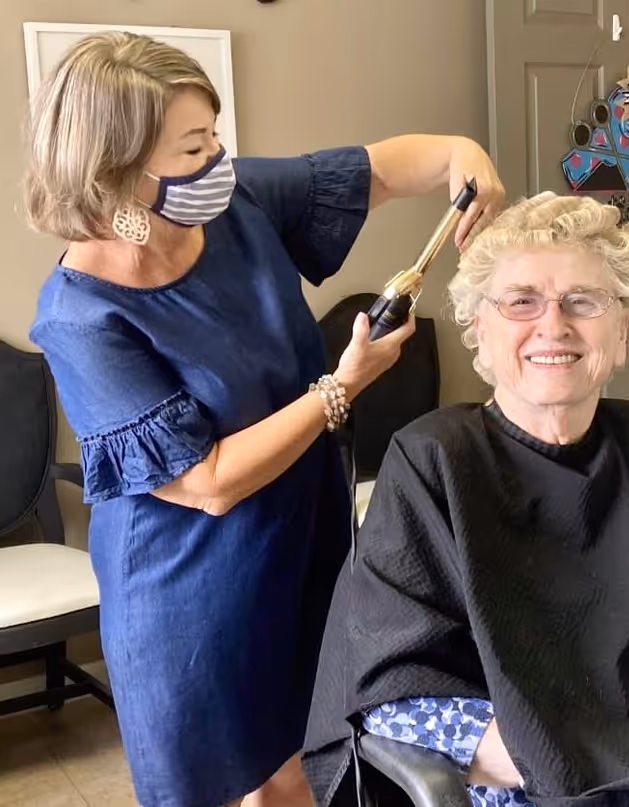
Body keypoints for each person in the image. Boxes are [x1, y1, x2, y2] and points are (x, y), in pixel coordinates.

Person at [23, 31, 505, 807]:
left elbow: (378, 168)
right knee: (220, 778)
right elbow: (208, 481)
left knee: (301, 761)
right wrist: (341, 387)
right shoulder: (82, 318)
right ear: (113, 171)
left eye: (214, 134)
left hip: (303, 542)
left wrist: (460, 153)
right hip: (191, 589)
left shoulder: (235, 202)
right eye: (192, 148)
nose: (217, 159)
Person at [303, 193, 629, 807]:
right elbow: (390, 689)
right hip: (547, 786)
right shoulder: (433, 460)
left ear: (622, 331)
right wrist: (579, 757)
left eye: (583, 302)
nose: (554, 325)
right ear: (480, 334)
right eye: (521, 302)